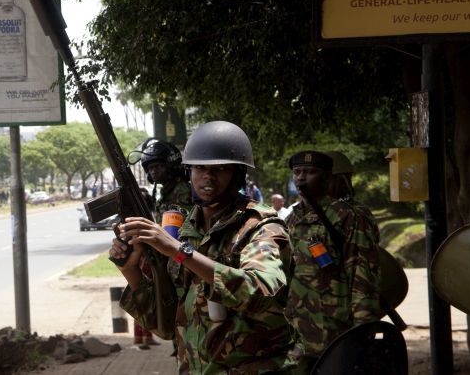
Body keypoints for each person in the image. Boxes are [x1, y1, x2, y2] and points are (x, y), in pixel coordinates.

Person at [112, 121, 293, 373]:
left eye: (220, 169)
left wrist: (178, 251)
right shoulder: (187, 227)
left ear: (238, 175)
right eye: (199, 168)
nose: (208, 176)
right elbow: (166, 325)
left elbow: (261, 292)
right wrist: (131, 270)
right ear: (189, 172)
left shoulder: (262, 226)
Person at [284, 151, 380, 373]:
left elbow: (363, 277)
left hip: (335, 331)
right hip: (296, 335)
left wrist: (363, 332)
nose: (301, 178)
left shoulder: (348, 217)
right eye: (297, 172)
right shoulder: (291, 219)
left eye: (310, 172)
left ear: (327, 178)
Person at [136, 138, 193, 349]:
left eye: (158, 166)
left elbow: (179, 234)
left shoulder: (181, 191)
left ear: (170, 165)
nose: (154, 173)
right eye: (150, 168)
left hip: (182, 263)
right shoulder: (167, 193)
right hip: (173, 262)